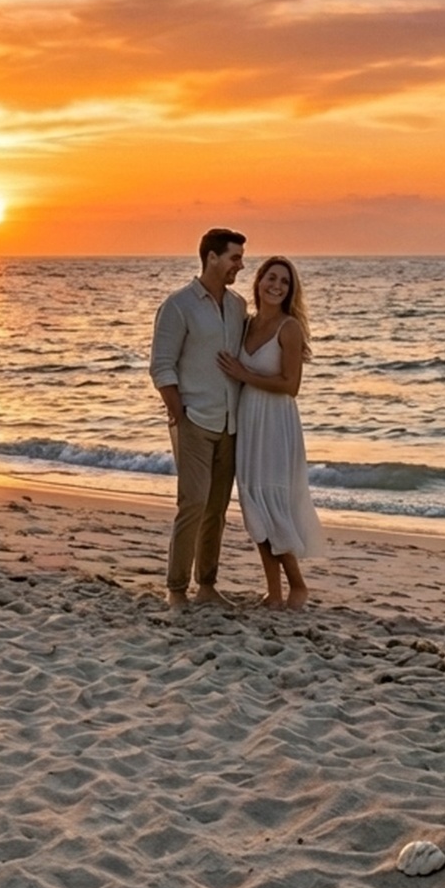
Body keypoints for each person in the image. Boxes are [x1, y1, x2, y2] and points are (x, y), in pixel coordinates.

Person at [217, 256, 325, 609]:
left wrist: (242, 374)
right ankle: (274, 592)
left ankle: (298, 586)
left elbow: (290, 385)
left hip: (276, 423)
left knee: (272, 501)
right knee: (252, 502)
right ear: (259, 280)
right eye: (271, 278)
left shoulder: (288, 328)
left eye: (284, 282)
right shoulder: (245, 325)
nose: (277, 286)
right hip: (249, 420)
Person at [150, 228, 247, 610]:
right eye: (234, 258)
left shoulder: (238, 306)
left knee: (217, 509)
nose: (240, 265)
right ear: (211, 258)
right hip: (194, 420)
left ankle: (207, 585)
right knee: (193, 502)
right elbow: (161, 366)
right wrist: (179, 414)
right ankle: (176, 589)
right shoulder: (179, 305)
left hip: (230, 422)